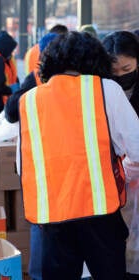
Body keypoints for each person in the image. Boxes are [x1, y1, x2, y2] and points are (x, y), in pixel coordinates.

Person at [6, 31, 139, 279]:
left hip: (50, 218)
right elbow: (137, 148)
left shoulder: (29, 100)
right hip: (100, 215)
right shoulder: (105, 89)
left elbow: (22, 165)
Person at [6, 32, 58, 280]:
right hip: (41, 166)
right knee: (43, 225)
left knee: (45, 225)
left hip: (45, 165)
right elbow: (10, 112)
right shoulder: (34, 80)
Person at [102, 30, 139, 280]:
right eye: (114, 72)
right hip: (113, 178)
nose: (121, 76)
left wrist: (128, 169)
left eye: (127, 68)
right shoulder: (102, 89)